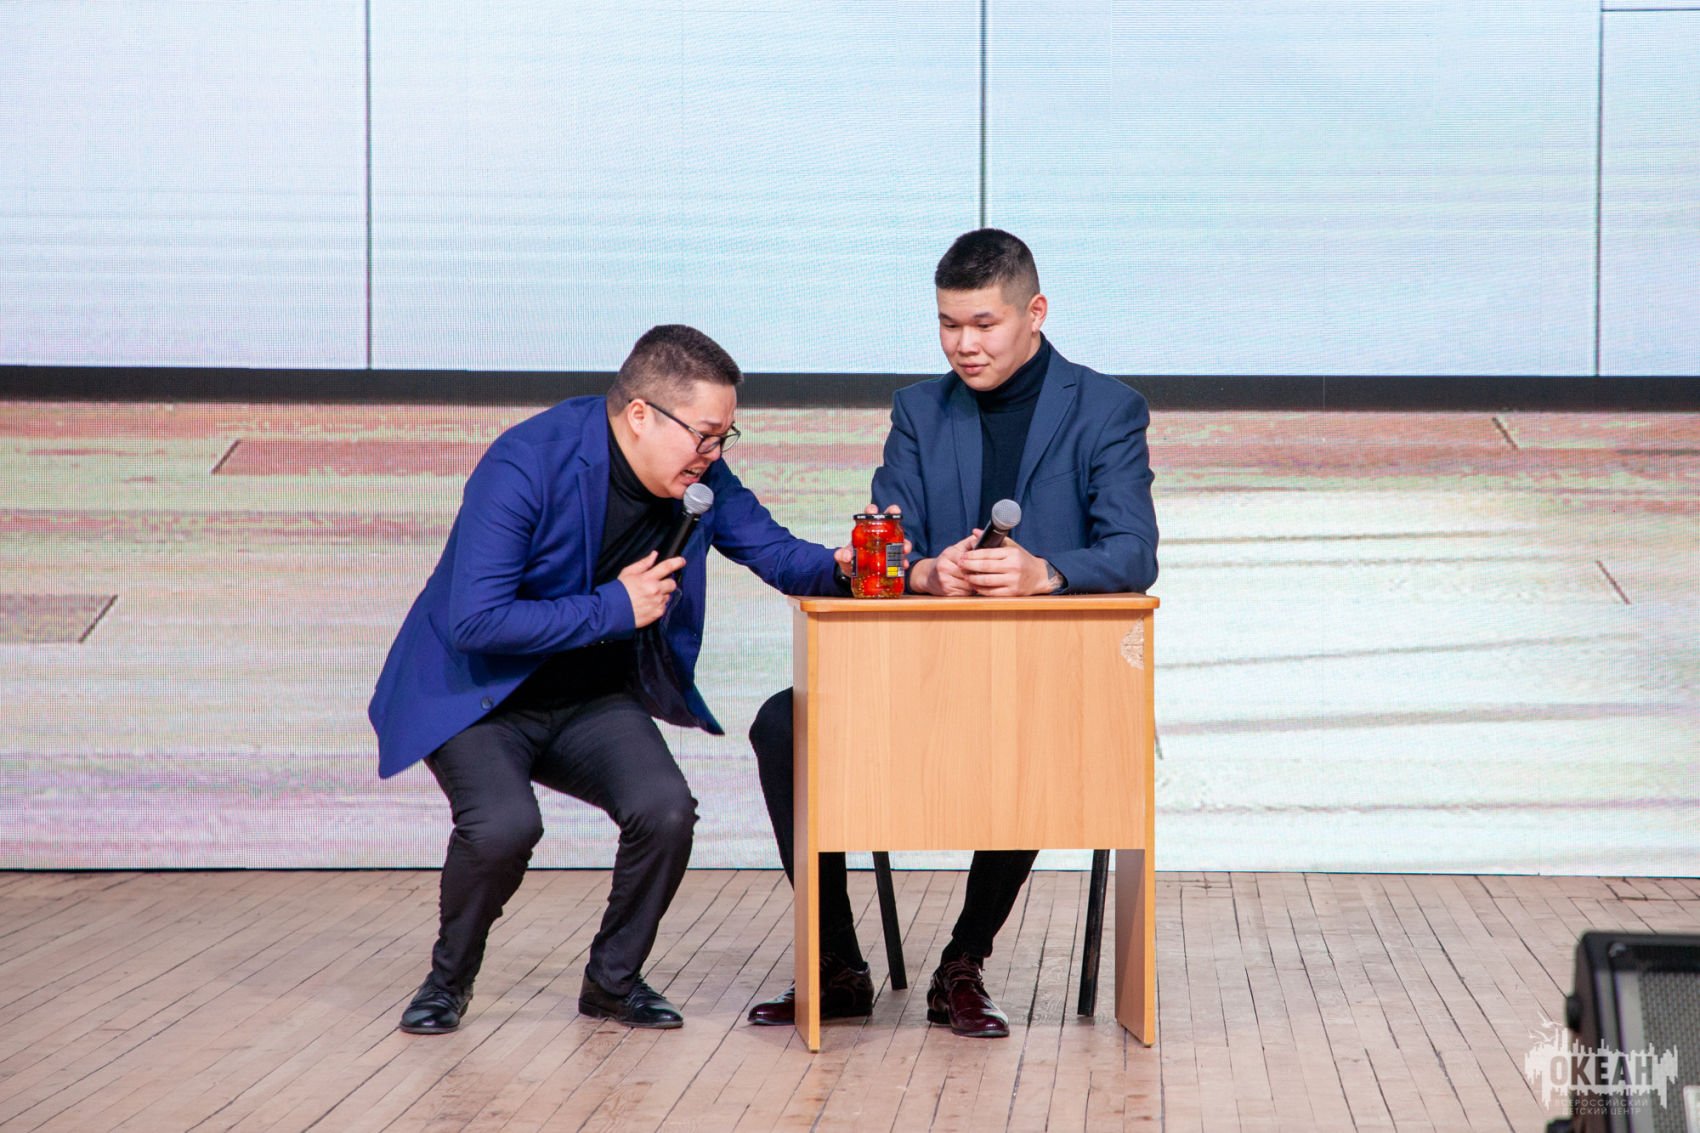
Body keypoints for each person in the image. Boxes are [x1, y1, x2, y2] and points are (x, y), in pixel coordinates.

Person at [369, 324, 849, 1035]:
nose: (714, 455)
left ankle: (612, 982)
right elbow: (475, 620)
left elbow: (775, 552)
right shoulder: (527, 462)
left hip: (586, 694)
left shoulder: (699, 478)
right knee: (504, 826)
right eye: (705, 436)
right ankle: (448, 981)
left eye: (725, 438)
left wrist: (845, 564)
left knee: (665, 809)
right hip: (479, 693)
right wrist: (614, 607)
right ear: (641, 415)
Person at [746, 229, 1159, 1037]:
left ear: (1035, 313)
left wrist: (1046, 573)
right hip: (916, 674)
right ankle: (837, 965)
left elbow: (1134, 550)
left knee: (1042, 730)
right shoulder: (917, 410)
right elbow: (887, 539)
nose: (963, 344)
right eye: (947, 324)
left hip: (1040, 681)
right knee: (780, 724)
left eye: (983, 324)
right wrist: (923, 571)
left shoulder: (1108, 409)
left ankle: (962, 963)